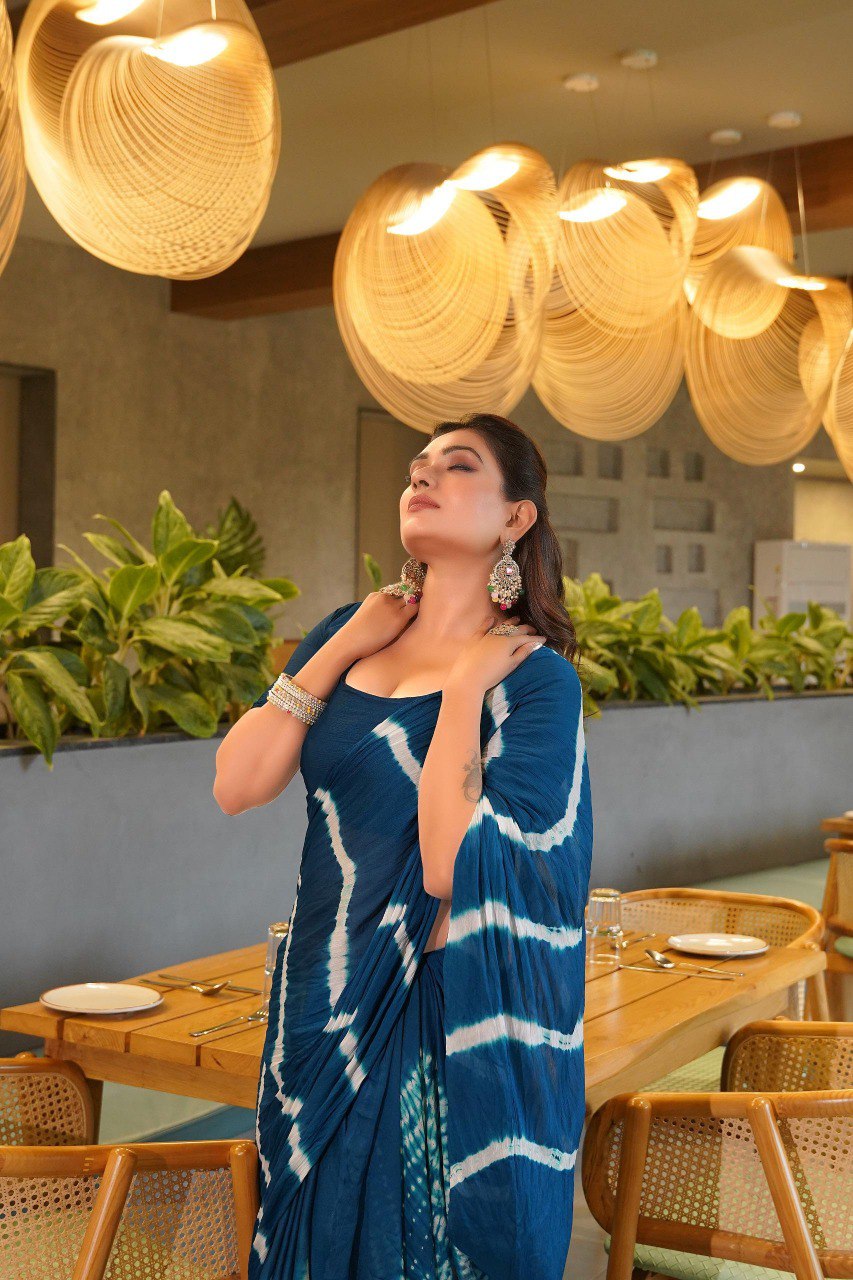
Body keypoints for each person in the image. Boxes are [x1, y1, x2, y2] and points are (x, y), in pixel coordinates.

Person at [213, 411, 594, 1280]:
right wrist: (342, 644)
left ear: (515, 518)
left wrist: (462, 693)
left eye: (456, 467)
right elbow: (237, 785)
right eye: (416, 466)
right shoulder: (354, 635)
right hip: (320, 991)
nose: (420, 477)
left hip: (435, 1017)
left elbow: (449, 865)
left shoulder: (533, 679)